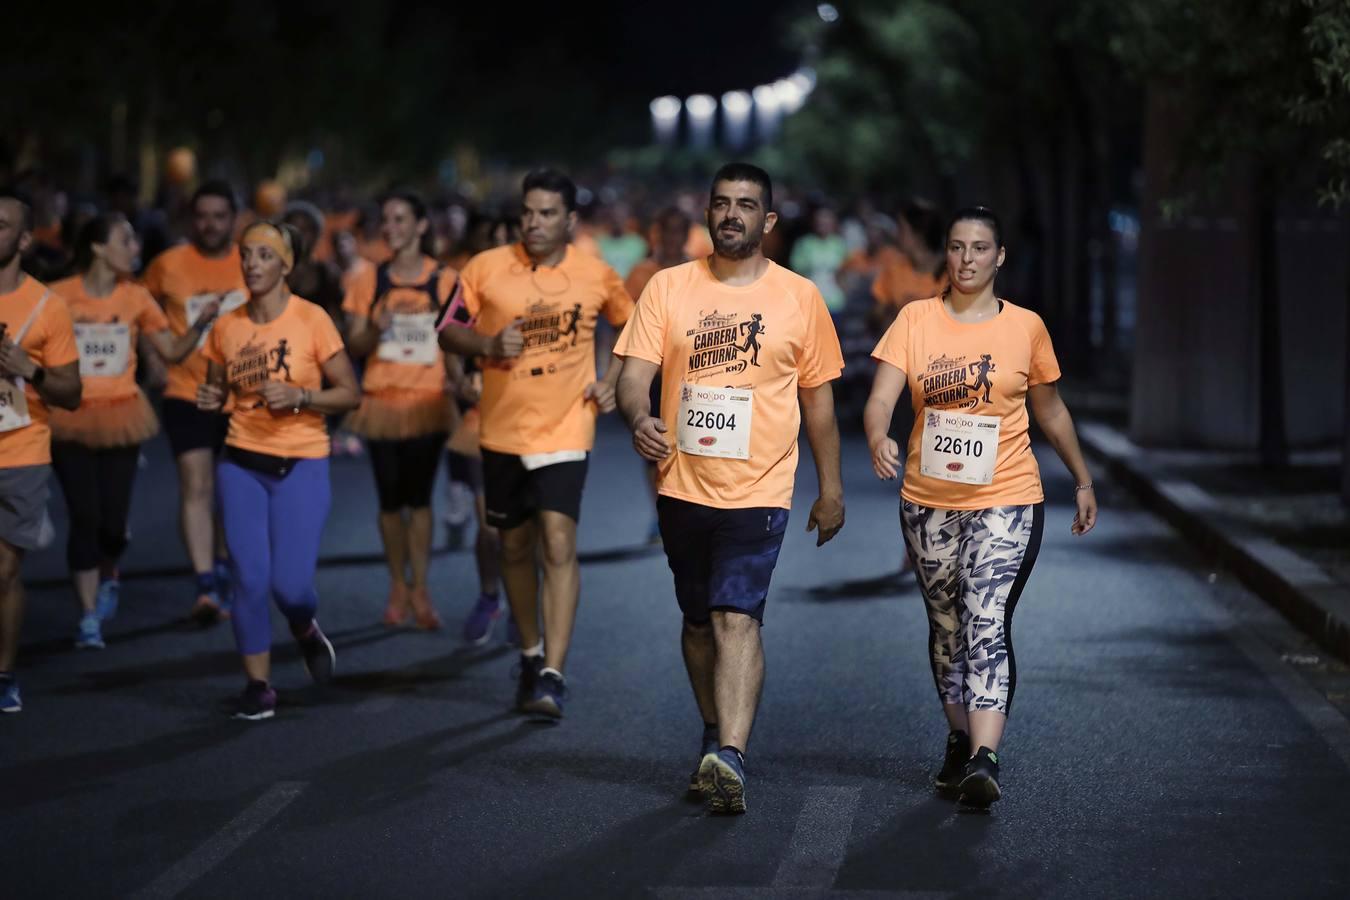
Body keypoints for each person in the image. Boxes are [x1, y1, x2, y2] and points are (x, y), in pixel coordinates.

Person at [616, 163, 846, 815]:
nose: (732, 214)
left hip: (761, 488)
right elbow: (634, 374)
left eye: (746, 205)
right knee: (697, 621)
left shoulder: (799, 298)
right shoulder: (667, 288)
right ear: (707, 214)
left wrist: (830, 488)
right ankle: (715, 732)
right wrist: (639, 416)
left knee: (736, 615)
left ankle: (734, 755)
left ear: (767, 221)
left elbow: (818, 401)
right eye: (721, 203)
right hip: (683, 485)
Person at [863, 206, 1098, 809]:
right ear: (947, 254)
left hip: (1009, 498)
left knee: (985, 617)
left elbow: (1049, 409)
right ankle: (960, 739)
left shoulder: (1025, 328)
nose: (967, 258)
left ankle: (985, 759)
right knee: (947, 628)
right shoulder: (915, 319)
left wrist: (1082, 478)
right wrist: (878, 435)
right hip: (928, 502)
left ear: (1000, 258)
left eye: (980, 248)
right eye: (958, 247)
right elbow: (882, 396)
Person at [437, 168, 633, 718]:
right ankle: (528, 651)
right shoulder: (483, 268)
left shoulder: (595, 274)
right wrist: (486, 342)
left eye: (547, 213)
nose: (534, 222)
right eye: (528, 212)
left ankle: (553, 671)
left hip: (568, 425)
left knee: (557, 541)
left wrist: (611, 379)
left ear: (570, 220)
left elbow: (633, 325)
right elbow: (447, 328)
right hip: (500, 428)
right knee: (514, 546)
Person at [196, 221, 359, 720]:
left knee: (290, 587)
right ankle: (258, 685)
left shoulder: (312, 320)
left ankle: (305, 628)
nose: (251, 264)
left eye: (264, 255)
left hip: (302, 460)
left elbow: (349, 393)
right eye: (246, 254)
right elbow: (216, 390)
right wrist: (211, 398)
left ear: (286, 264)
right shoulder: (227, 326)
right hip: (241, 461)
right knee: (248, 578)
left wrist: (302, 396)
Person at [50, 214, 221, 649]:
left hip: (123, 414)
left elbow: (172, 350)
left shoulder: (138, 297)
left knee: (112, 522)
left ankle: (110, 569)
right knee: (84, 517)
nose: (135, 246)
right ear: (98, 248)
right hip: (70, 415)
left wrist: (200, 325)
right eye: (125, 239)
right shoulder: (57, 296)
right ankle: (89, 617)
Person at [342, 192, 457, 630]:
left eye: (399, 219)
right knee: (390, 500)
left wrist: (461, 376)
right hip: (381, 399)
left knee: (421, 497)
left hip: (428, 399)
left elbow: (460, 336)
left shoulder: (446, 280)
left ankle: (421, 586)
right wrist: (374, 328)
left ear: (421, 226)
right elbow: (352, 343)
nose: (390, 227)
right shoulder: (366, 279)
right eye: (385, 220)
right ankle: (396, 583)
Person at [142, 180, 247, 624]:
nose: (210, 225)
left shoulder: (251, 261)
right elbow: (139, 309)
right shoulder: (168, 264)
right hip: (186, 390)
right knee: (196, 485)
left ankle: (224, 568)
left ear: (234, 219)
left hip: (243, 394)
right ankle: (205, 582)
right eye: (202, 216)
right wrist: (154, 358)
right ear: (191, 219)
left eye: (219, 216)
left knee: (232, 491)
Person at [0, 192, 82, 713]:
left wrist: (27, 368)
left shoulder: (48, 308)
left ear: (25, 240)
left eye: (1, 224)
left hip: (21, 452)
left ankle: (5, 671)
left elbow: (72, 393)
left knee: (3, 572)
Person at [626, 207, 692, 543]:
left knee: (690, 442)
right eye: (668, 231)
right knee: (656, 442)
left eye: (680, 231)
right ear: (658, 234)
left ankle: (686, 508)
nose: (673, 238)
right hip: (653, 373)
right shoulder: (642, 273)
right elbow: (624, 324)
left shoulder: (700, 271)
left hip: (692, 374)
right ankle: (658, 513)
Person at [788, 205, 850, 313]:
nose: (823, 225)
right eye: (820, 222)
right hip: (810, 302)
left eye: (826, 222)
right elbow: (796, 273)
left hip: (835, 302)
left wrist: (844, 291)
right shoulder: (804, 243)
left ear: (833, 223)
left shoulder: (839, 244)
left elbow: (844, 272)